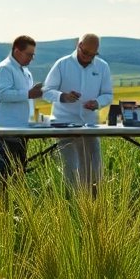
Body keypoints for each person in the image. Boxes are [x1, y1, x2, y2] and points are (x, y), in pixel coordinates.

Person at [42, 34, 113, 190]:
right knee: (70, 169)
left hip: (90, 125)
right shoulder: (62, 64)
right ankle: (70, 205)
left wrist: (98, 102)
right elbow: (46, 91)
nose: (88, 58)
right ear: (79, 45)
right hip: (64, 125)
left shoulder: (102, 67)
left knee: (94, 169)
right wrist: (63, 96)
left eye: (92, 55)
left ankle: (94, 205)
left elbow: (108, 94)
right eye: (85, 53)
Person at [0, 35, 43, 193]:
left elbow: (25, 97)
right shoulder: (5, 68)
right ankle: (0, 202)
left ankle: (16, 201)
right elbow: (3, 95)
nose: (31, 58)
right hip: (6, 127)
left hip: (21, 126)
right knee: (7, 168)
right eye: (29, 54)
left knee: (19, 167)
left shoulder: (25, 71)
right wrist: (29, 93)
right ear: (17, 51)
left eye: (33, 55)